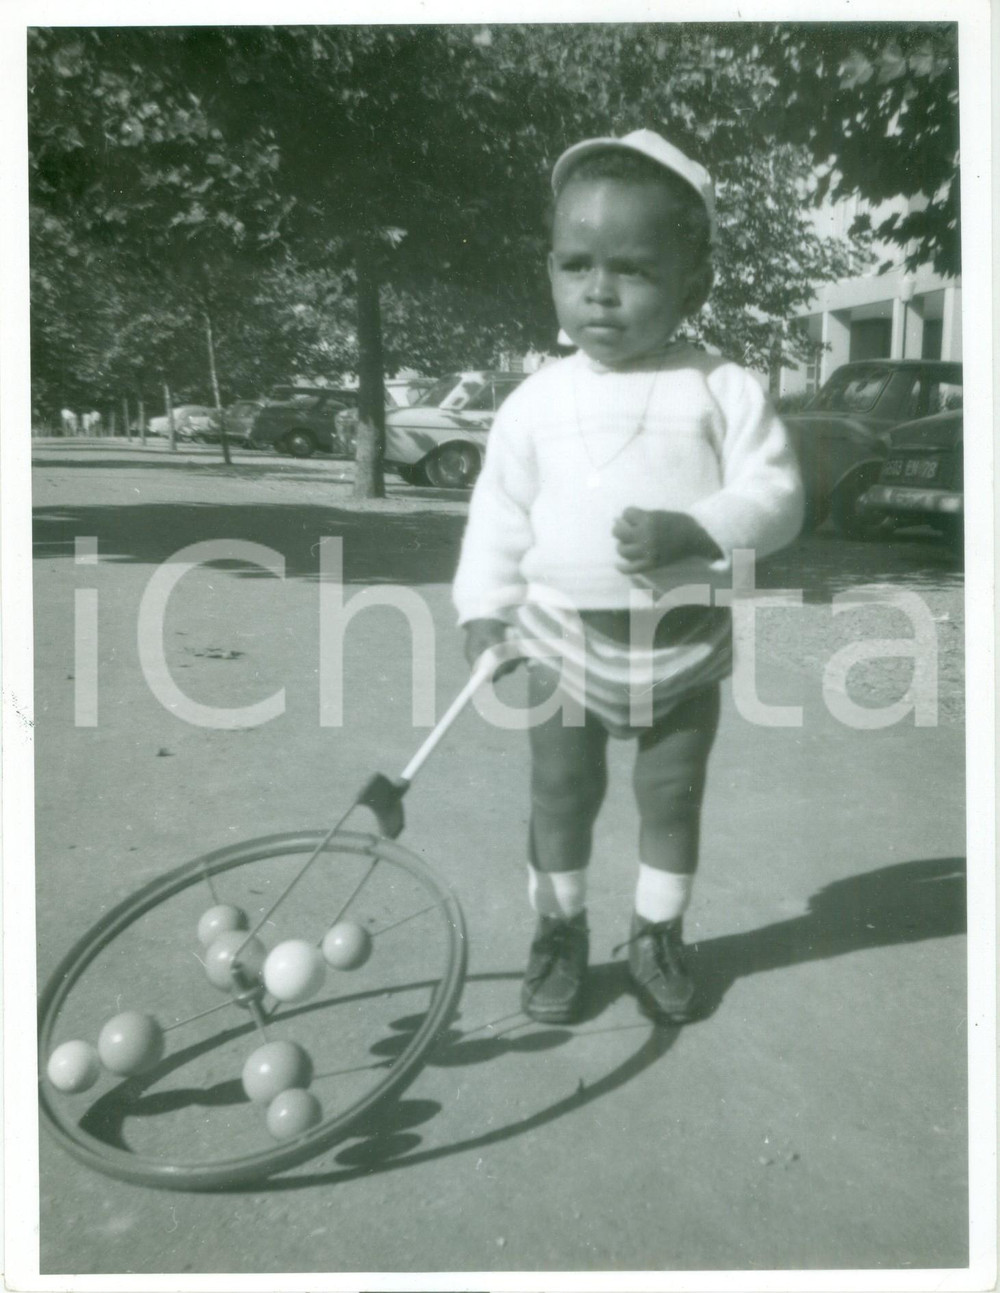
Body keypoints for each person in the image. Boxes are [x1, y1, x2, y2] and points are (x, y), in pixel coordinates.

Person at [452, 129, 804, 1025]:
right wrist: (484, 610)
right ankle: (558, 930)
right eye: (576, 265)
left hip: (682, 636)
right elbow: (499, 510)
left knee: (670, 792)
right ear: (551, 270)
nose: (599, 291)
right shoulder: (533, 402)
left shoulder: (719, 387)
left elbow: (778, 492)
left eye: (635, 270)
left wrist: (700, 525)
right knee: (560, 790)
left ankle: (656, 930)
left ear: (695, 281)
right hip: (560, 637)